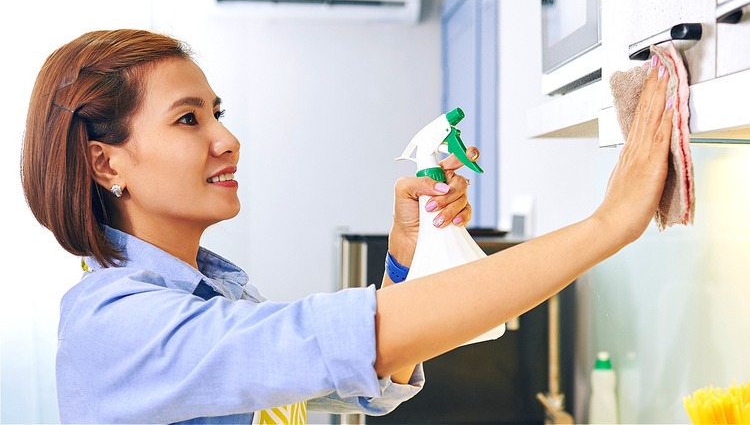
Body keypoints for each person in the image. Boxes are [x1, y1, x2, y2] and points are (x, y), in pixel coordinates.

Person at [21, 29, 672, 424]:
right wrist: (610, 222)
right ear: (105, 161)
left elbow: (347, 383)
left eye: (218, 113)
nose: (228, 139)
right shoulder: (117, 326)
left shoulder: (206, 297)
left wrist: (404, 266)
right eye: (189, 119)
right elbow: (338, 341)